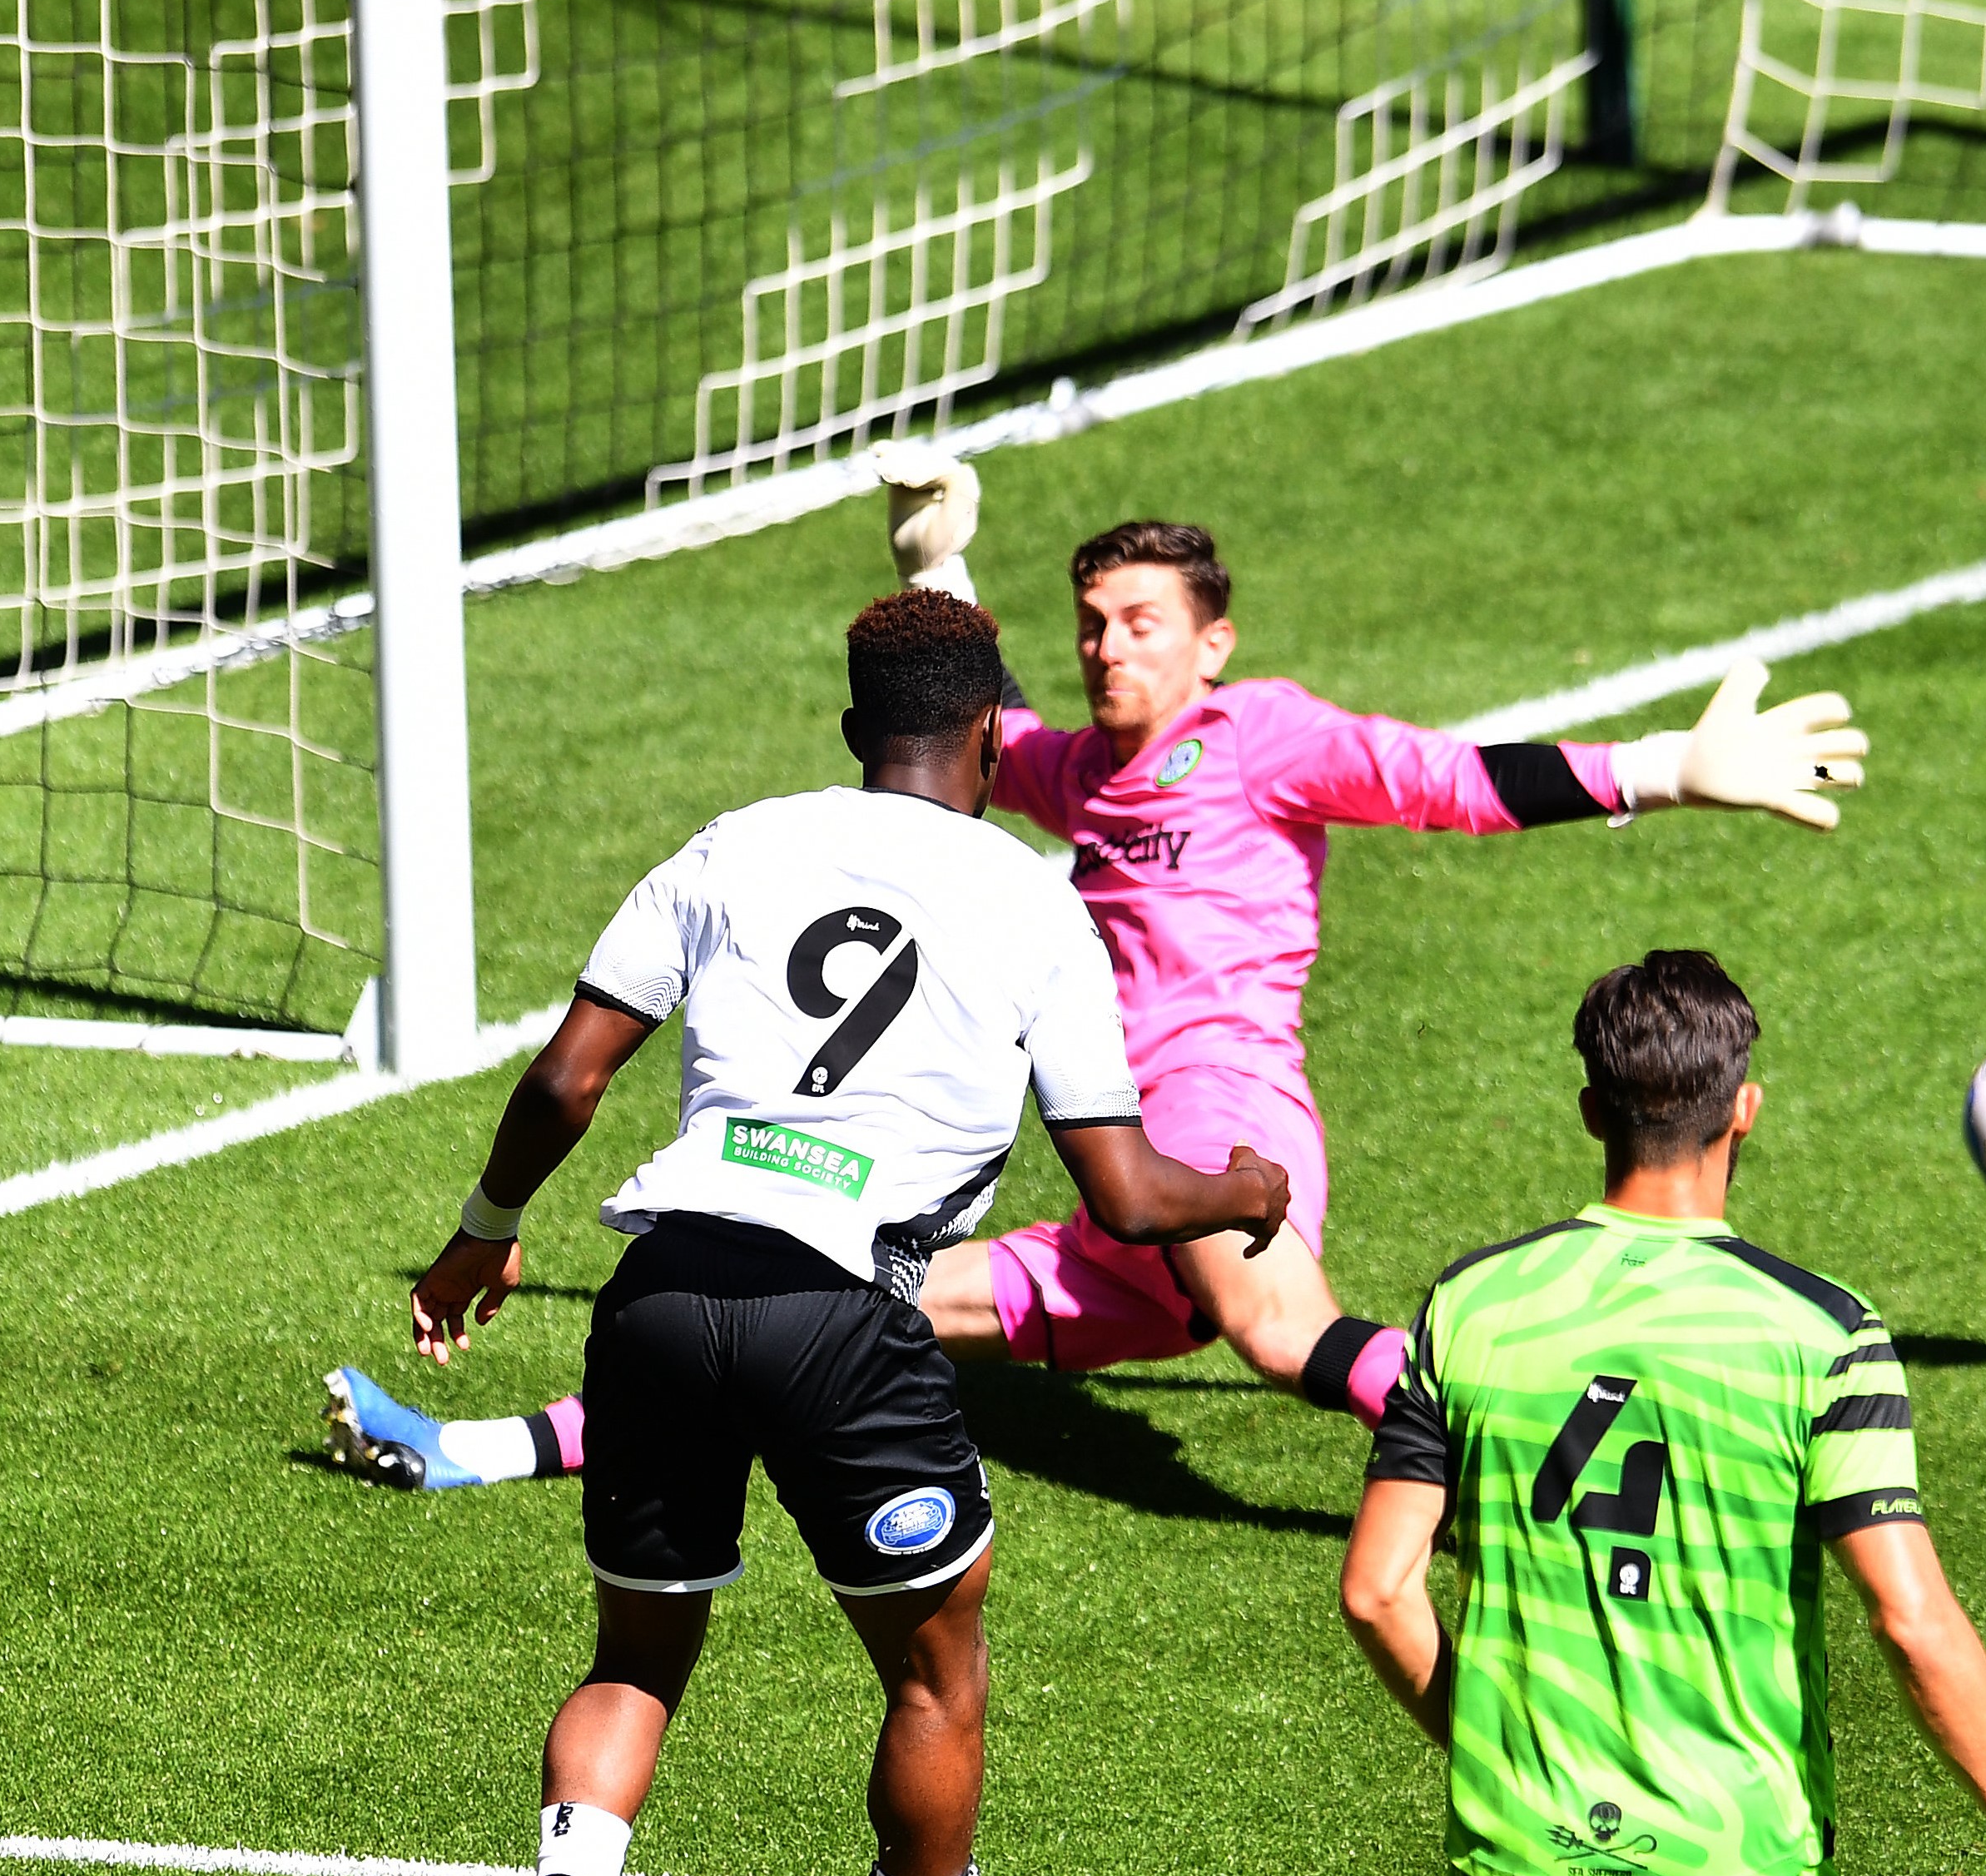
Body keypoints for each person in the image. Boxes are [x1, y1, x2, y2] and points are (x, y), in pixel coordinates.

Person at [325, 456, 1868, 1491]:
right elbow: (968, 718)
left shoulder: (1263, 736)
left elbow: (1453, 776)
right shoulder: (1067, 770)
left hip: (1212, 1111)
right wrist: (937, 560)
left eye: (1142, 624)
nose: (1108, 649)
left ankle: (1587, 1465)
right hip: (1114, 1160)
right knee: (823, 1298)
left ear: (1213, 644)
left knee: (1282, 1334)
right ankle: (480, 1450)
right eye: (1090, 626)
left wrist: (1670, 765)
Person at [406, 588, 1288, 1876]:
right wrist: (1250, 1189)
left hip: (663, 1290)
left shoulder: (739, 841)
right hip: (845, 1319)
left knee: (635, 1658)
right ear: (998, 735)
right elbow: (1132, 1199)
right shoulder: (1032, 904)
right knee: (935, 1675)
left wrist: (483, 1232)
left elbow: (570, 1073)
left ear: (846, 734)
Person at [1338, 951, 1986, 1876]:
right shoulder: (1821, 1331)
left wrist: (1493, 1741)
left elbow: (1379, 1591)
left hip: (1521, 1861)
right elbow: (1909, 1620)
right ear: (1743, 1107)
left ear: (1592, 1107)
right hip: (1741, 1862)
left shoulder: (1470, 1305)